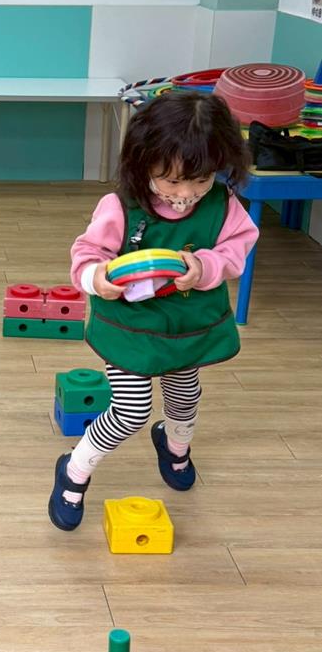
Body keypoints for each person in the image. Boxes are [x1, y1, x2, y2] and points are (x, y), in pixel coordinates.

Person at [49, 91, 258, 529]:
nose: (186, 195)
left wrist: (206, 266)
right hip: (131, 325)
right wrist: (97, 278)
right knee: (131, 410)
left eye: (200, 180)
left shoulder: (222, 204)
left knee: (185, 397)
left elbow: (238, 247)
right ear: (143, 163)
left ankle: (175, 446)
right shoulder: (119, 207)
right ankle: (74, 469)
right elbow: (86, 254)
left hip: (187, 323)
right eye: (171, 181)